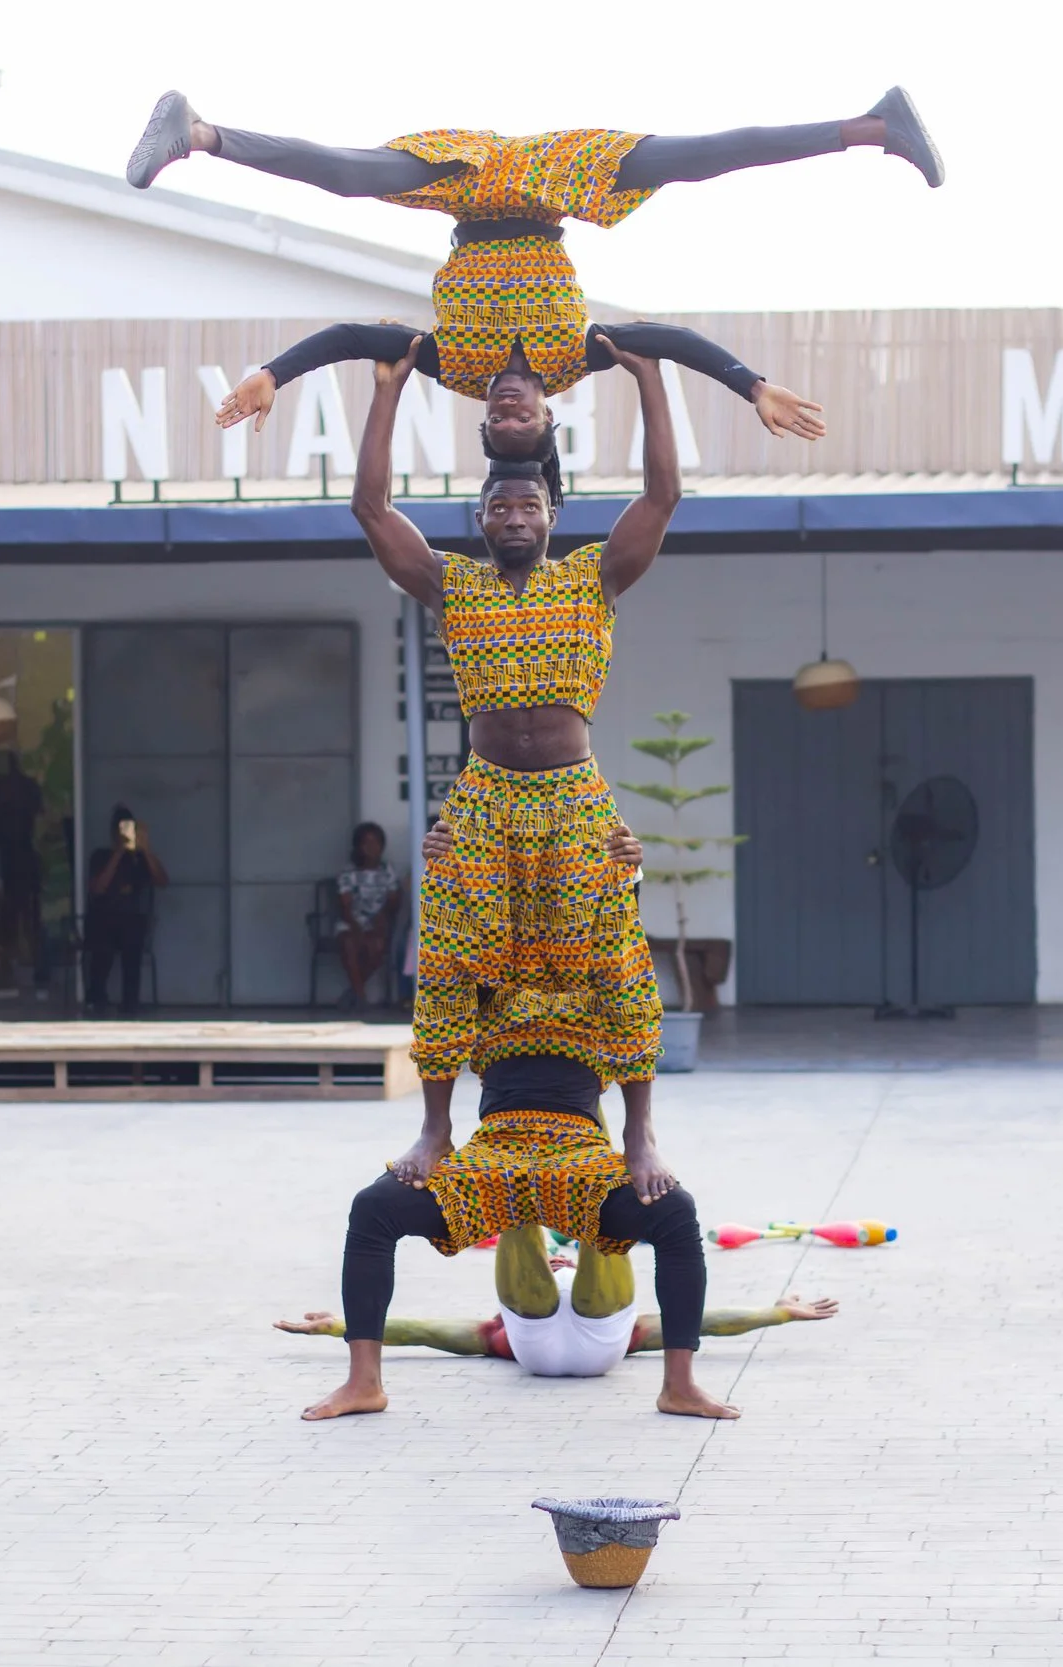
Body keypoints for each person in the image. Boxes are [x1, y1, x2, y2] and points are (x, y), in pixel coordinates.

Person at [128, 89, 943, 464]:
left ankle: (196, 133)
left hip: (468, 183)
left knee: (347, 175)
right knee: (704, 156)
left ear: (490, 419)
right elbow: (666, 338)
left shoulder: (458, 370)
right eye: (526, 423)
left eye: (500, 423)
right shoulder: (574, 357)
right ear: (547, 417)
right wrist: (751, 384)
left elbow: (351, 338)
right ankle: (875, 125)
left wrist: (275, 373)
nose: (511, 409)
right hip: (559, 181)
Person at [358, 332, 673, 1128]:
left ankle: (637, 1133)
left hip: (575, 799)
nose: (514, 515)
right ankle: (436, 1130)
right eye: (498, 505)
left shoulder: (591, 578)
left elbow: (662, 497)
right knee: (452, 958)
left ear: (552, 513)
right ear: (481, 516)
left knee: (616, 958)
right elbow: (371, 508)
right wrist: (389, 389)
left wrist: (649, 380)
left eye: (528, 504)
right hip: (483, 801)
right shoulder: (451, 584)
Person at [308, 1046, 738, 1420]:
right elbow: (439, 1026)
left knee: (675, 1211)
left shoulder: (598, 962)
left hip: (579, 1150)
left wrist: (639, 1140)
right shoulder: (484, 964)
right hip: (497, 1149)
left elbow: (635, 1034)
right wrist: (434, 1132)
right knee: (373, 1207)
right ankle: (364, 1384)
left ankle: (678, 1388)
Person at [275, 1221, 838, 1374]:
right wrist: (774, 1315)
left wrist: (340, 1325)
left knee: (526, 1217)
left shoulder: (498, 1333)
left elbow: (425, 1332)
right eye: (551, 1259)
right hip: (598, 1348)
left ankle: (527, 1177)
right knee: (601, 1221)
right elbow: (697, 1324)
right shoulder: (629, 1331)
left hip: (536, 1348)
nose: (556, 1259)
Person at [85, 802, 167, 1015]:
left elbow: (162, 881)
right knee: (101, 942)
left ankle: (131, 1002)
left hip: (131, 920)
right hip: (104, 919)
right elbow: (98, 888)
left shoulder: (139, 860)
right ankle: (97, 999)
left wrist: (146, 850)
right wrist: (118, 853)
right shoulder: (101, 856)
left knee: (133, 937)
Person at [0, 752, 46, 999]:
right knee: (17, 920)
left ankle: (30, 976)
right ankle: (20, 976)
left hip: (19, 858)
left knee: (22, 919)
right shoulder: (18, 788)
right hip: (12, 858)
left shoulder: (6, 789)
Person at [334, 822, 401, 1011]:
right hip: (351, 922)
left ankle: (353, 991)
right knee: (349, 943)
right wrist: (357, 929)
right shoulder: (349, 872)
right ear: (358, 846)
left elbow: (394, 899)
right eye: (367, 843)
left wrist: (382, 917)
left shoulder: (387, 870)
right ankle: (362, 998)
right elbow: (345, 907)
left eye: (376, 843)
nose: (372, 848)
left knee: (378, 946)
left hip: (378, 922)